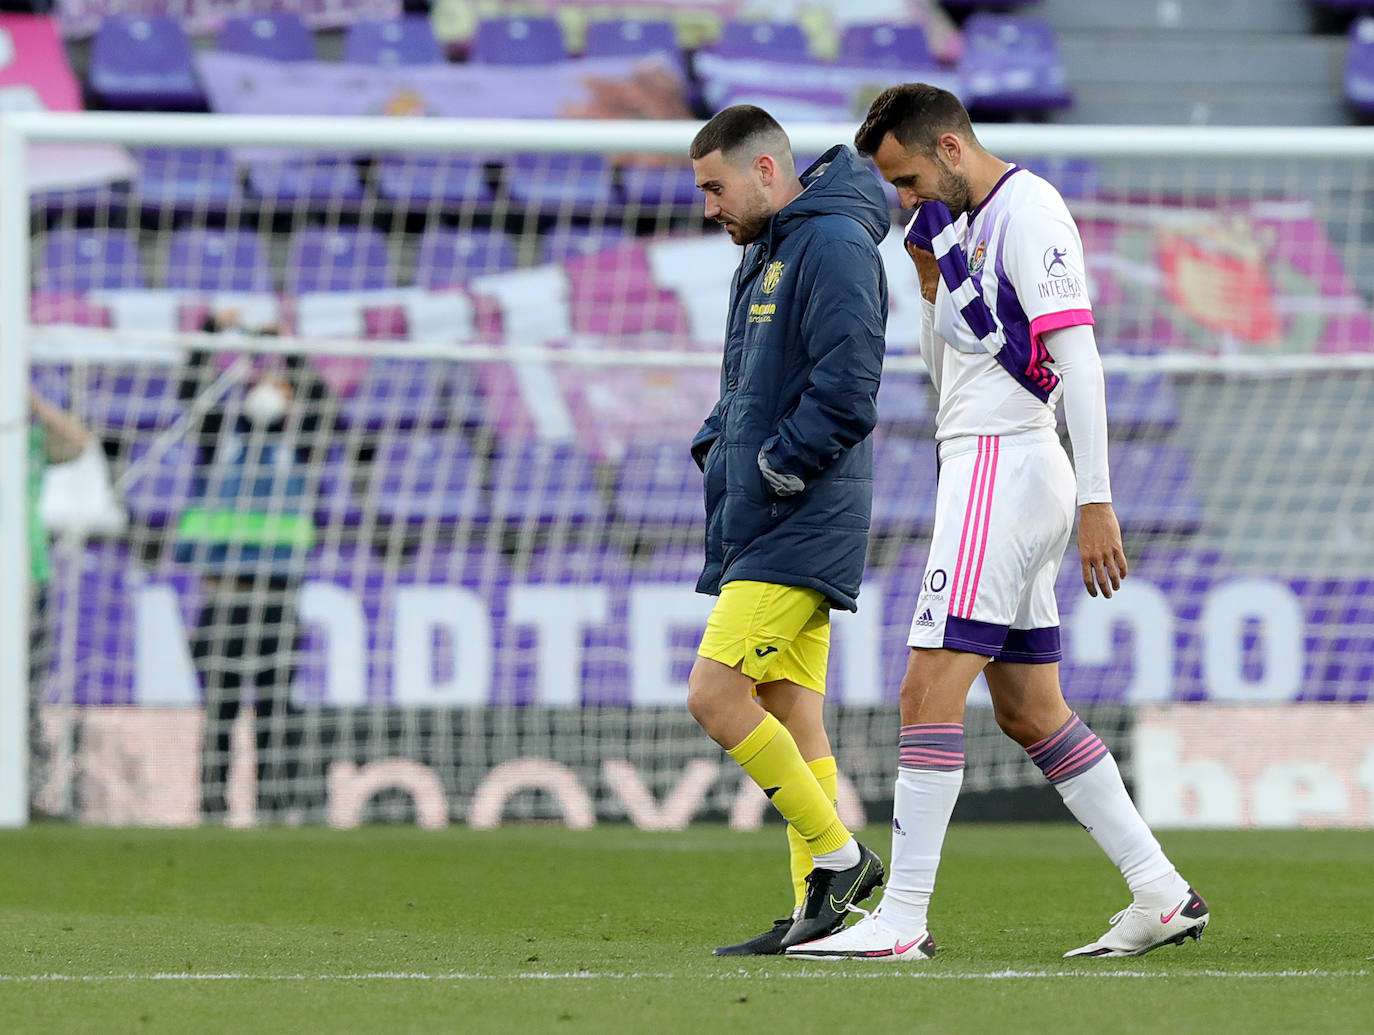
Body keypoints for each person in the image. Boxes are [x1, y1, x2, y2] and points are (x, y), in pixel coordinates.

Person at [786, 83, 1209, 961]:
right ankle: (1160, 891)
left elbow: (1078, 357)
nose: (902, 197)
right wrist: (928, 276)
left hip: (1008, 462)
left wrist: (1099, 496)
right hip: (984, 465)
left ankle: (902, 915)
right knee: (1029, 707)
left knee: (925, 688)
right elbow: (957, 358)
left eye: (906, 177)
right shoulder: (954, 228)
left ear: (948, 148)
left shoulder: (1030, 212)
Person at [685, 105, 891, 954]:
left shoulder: (834, 243)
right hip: (767, 512)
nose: (708, 208)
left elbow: (850, 384)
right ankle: (818, 909)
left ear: (766, 170)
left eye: (715, 187)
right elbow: (750, 380)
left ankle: (839, 861)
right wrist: (718, 443)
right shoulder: (768, 249)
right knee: (791, 713)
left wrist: (776, 464)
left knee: (714, 694)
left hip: (797, 514)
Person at [177, 317, 336, 822]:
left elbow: (323, 401)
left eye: (280, 386)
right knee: (219, 711)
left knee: (274, 709)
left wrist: (282, 346)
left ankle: (272, 806)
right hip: (222, 596)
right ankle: (212, 807)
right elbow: (191, 393)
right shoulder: (219, 443)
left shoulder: (300, 450)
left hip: (278, 601)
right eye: (261, 383)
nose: (270, 392)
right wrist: (210, 334)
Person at [26, 387, 94, 815]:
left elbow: (78, 442)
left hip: (28, 579)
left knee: (24, 693)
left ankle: (26, 794)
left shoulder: (27, 441)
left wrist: (30, 400)